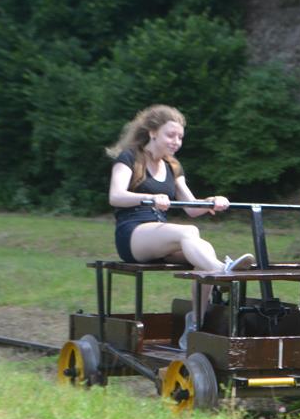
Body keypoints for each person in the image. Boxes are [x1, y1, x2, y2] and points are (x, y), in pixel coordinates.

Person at [106, 104, 254, 347]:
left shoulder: (172, 166)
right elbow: (116, 196)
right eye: (171, 135)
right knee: (189, 232)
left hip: (159, 235)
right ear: (153, 132)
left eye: (180, 137)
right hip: (132, 234)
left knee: (203, 249)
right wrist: (150, 198)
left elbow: (190, 208)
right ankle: (223, 271)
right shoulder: (129, 157)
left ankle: (195, 322)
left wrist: (211, 202)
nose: (176, 142)